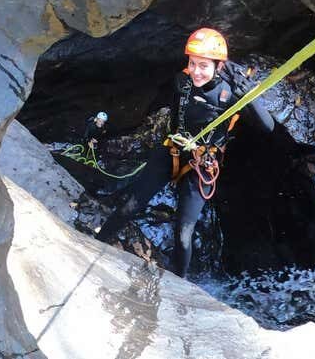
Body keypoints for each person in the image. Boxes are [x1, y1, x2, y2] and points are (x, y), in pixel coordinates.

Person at [96, 27, 274, 278]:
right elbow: (156, 104)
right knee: (130, 206)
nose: (196, 71)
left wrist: (248, 94)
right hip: (172, 150)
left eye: (204, 65)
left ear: (219, 66)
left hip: (202, 163)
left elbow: (267, 126)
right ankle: (93, 244)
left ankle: (179, 283)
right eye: (193, 63)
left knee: (183, 234)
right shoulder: (181, 81)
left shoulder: (230, 94)